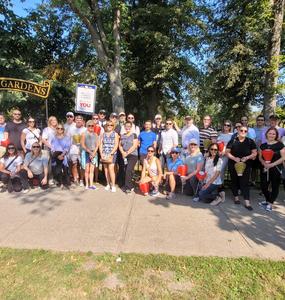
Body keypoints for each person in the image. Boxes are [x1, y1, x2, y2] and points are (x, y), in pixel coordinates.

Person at [226, 125, 257, 210]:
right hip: (233, 164)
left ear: (247, 132)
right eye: (241, 130)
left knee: (245, 182)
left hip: (246, 165)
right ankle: (236, 197)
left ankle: (247, 201)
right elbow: (227, 152)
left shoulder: (250, 141)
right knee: (234, 180)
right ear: (238, 130)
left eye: (245, 131)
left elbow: (254, 153)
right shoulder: (232, 141)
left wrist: (247, 157)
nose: (243, 132)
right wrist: (234, 158)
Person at [259, 127, 285, 211]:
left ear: (276, 135)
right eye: (270, 133)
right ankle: (267, 200)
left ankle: (270, 203)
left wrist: (272, 164)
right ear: (266, 134)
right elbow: (260, 157)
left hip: (276, 168)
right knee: (263, 186)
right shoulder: (263, 145)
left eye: (273, 134)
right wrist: (263, 163)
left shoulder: (280, 145)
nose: (271, 135)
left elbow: (283, 158)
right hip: (265, 168)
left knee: (275, 186)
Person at [119, 121, 139, 193]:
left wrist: (127, 152)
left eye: (129, 126)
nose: (127, 127)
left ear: (131, 127)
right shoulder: (122, 135)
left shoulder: (134, 135)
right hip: (124, 156)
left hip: (132, 155)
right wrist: (122, 152)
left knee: (128, 170)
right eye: (126, 126)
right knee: (126, 171)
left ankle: (128, 187)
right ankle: (130, 185)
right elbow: (120, 145)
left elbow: (135, 145)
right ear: (124, 127)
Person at [99, 121, 119, 192]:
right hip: (104, 153)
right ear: (106, 126)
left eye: (111, 125)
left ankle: (113, 185)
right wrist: (101, 154)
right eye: (108, 125)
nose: (109, 126)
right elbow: (101, 144)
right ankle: (108, 184)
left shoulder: (115, 134)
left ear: (113, 126)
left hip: (112, 154)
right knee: (106, 170)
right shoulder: (103, 134)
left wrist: (111, 154)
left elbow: (116, 145)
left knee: (111, 170)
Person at [50, 124, 71, 188]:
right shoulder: (53, 138)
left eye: (61, 128)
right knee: (58, 169)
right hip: (56, 155)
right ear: (56, 129)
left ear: (63, 130)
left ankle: (66, 182)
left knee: (65, 168)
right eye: (58, 128)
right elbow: (52, 148)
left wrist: (62, 155)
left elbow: (67, 148)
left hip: (63, 155)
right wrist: (57, 156)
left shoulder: (67, 138)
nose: (60, 130)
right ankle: (60, 182)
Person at [81, 120, 100, 190]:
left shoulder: (96, 134)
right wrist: (89, 152)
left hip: (94, 153)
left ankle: (91, 184)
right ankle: (87, 184)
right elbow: (83, 145)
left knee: (92, 170)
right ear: (87, 126)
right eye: (89, 125)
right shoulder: (84, 134)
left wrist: (94, 153)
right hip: (86, 153)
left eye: (92, 125)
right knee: (87, 170)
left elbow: (97, 145)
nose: (91, 127)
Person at [69, 115, 86, 186]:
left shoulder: (85, 129)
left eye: (80, 119)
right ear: (75, 121)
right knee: (74, 164)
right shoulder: (71, 129)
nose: (78, 121)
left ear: (82, 121)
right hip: (73, 149)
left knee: (82, 165)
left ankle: (81, 179)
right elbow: (69, 140)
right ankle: (75, 179)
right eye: (77, 119)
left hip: (82, 149)